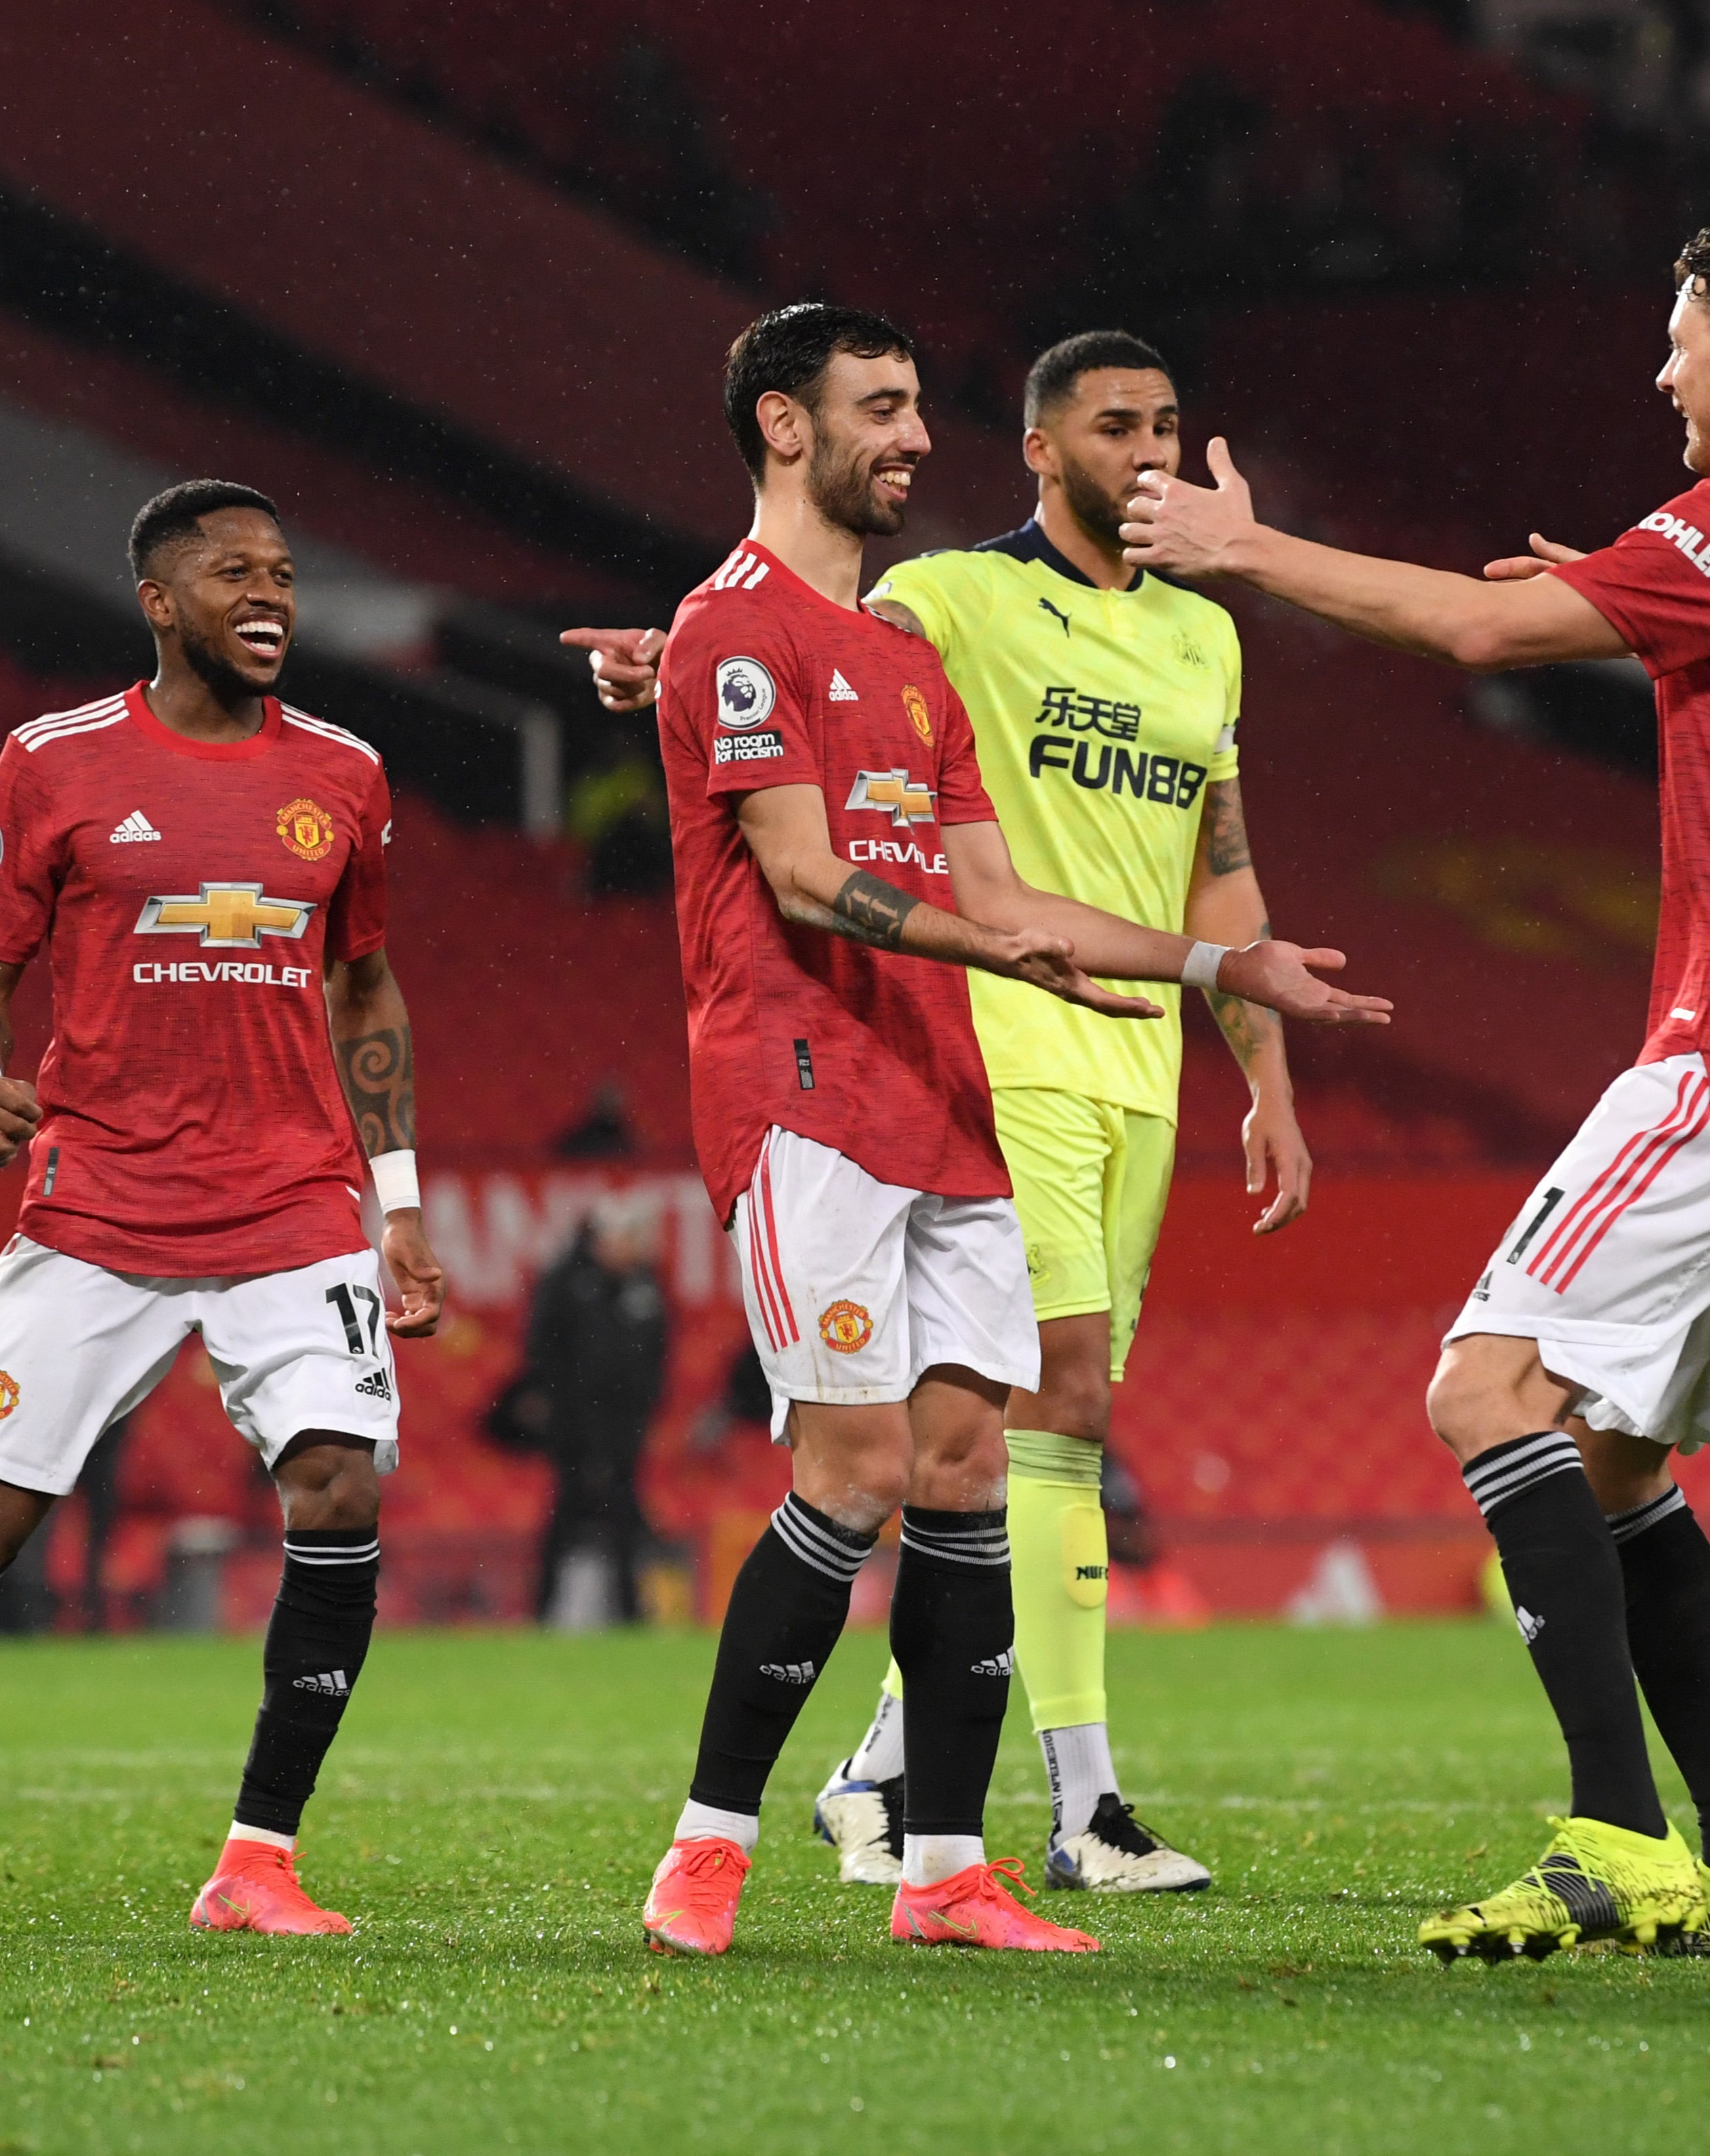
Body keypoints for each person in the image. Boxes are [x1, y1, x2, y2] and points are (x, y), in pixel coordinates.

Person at [1123, 214, 1710, 1962]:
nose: (1658, 367)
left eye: (1677, 335)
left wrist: (1244, 545)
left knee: (1484, 1386)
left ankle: (1609, 1834)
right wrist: (1645, 598)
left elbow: (1477, 636)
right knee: (1621, 1459)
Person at [629, 303, 1389, 1959]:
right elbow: (809, 876)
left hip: (948, 1098)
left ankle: (946, 1871)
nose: (913, 438)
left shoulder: (909, 665)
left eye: (914, 408)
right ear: (782, 426)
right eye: (879, 409)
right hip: (805, 1093)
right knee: (856, 1467)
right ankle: (704, 1847)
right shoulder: (738, 627)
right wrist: (1006, 947)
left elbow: (999, 887)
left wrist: (1213, 964)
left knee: (974, 1469)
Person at [0, 480, 449, 1934]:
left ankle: (257, 1861)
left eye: (282, 572)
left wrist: (396, 1199)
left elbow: (364, 982)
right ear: (159, 602)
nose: (268, 595)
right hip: (100, 1207)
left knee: (340, 1485)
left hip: (290, 1201)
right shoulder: (53, 762)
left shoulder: (344, 772)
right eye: (232, 574)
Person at [524, 1191, 673, 1625]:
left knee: (623, 1522)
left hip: (625, 1431)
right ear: (605, 1240)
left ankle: (629, 1612)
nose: (635, 1248)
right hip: (573, 1431)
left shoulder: (644, 1286)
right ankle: (544, 1611)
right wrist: (565, 1418)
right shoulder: (566, 1282)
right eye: (629, 1239)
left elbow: (658, 1356)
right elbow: (543, 1355)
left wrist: (640, 1416)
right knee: (566, 1518)